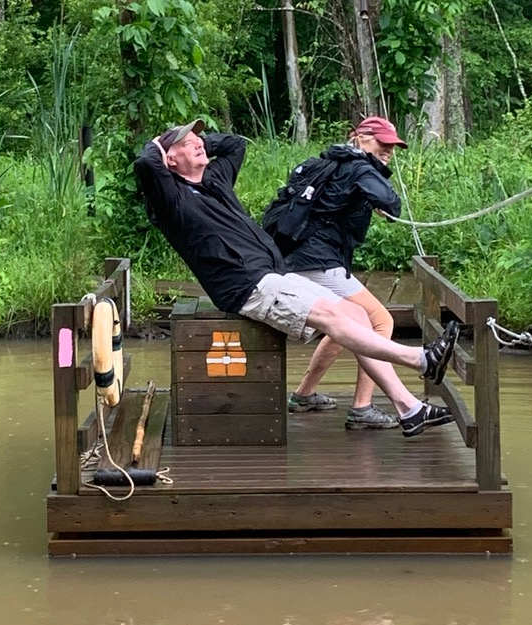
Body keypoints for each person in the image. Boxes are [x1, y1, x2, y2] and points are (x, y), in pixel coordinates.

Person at [134, 119, 460, 438]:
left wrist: (197, 143)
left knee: (359, 315)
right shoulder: (170, 199)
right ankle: (419, 359)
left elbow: (234, 145)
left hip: (274, 274)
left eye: (197, 139)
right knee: (335, 317)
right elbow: (145, 162)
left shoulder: (214, 179)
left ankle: (408, 409)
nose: (197, 142)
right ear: (169, 160)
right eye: (185, 143)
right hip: (249, 285)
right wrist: (160, 147)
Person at [277, 116, 452, 434]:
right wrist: (378, 198)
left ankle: (303, 395)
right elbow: (392, 203)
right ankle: (362, 408)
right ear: (358, 137)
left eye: (393, 145)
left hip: (294, 257)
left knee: (345, 324)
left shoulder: (323, 163)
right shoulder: (358, 166)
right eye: (382, 142)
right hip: (316, 260)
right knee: (378, 321)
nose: (388, 150)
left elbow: (327, 204)